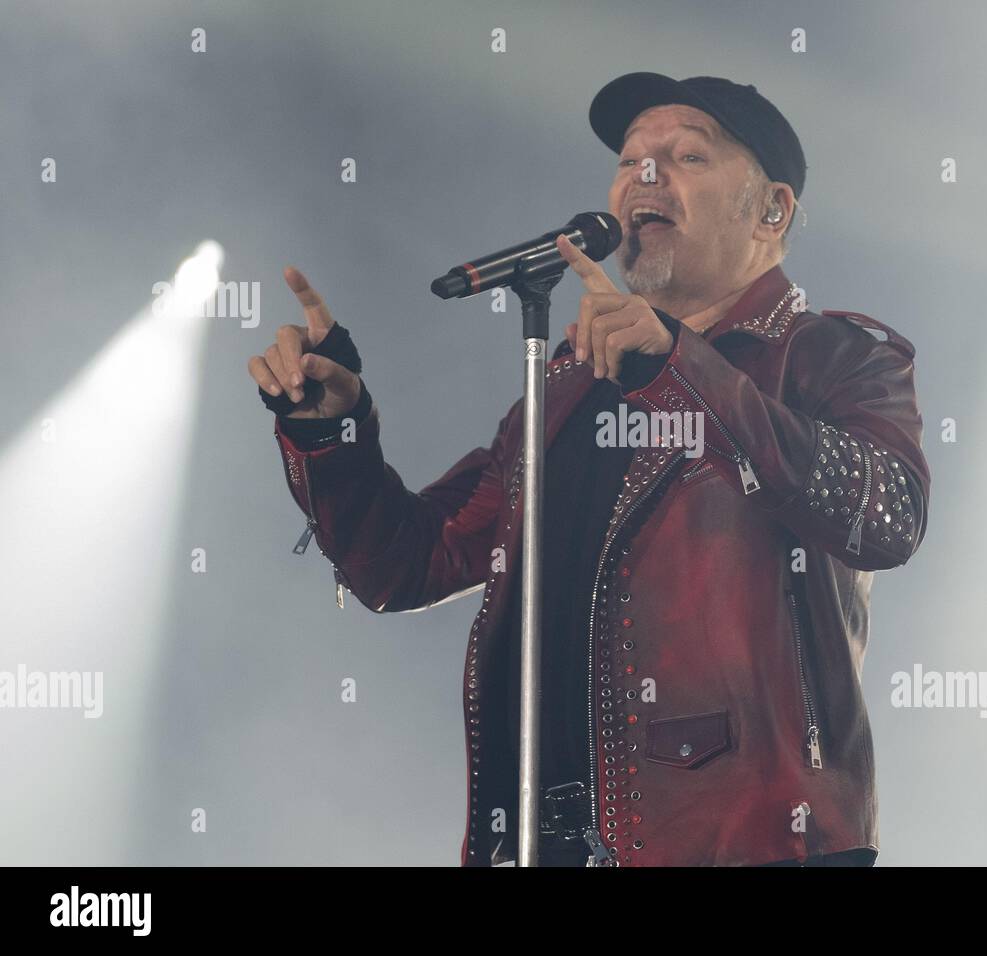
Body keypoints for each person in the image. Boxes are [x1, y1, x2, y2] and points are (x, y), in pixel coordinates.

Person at [247, 73, 931, 867]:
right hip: (544, 843)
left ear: (771, 210)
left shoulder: (831, 356)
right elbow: (410, 564)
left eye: (686, 156)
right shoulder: (571, 384)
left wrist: (681, 365)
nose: (644, 174)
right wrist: (329, 429)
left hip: (751, 842)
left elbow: (886, 517)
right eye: (630, 158)